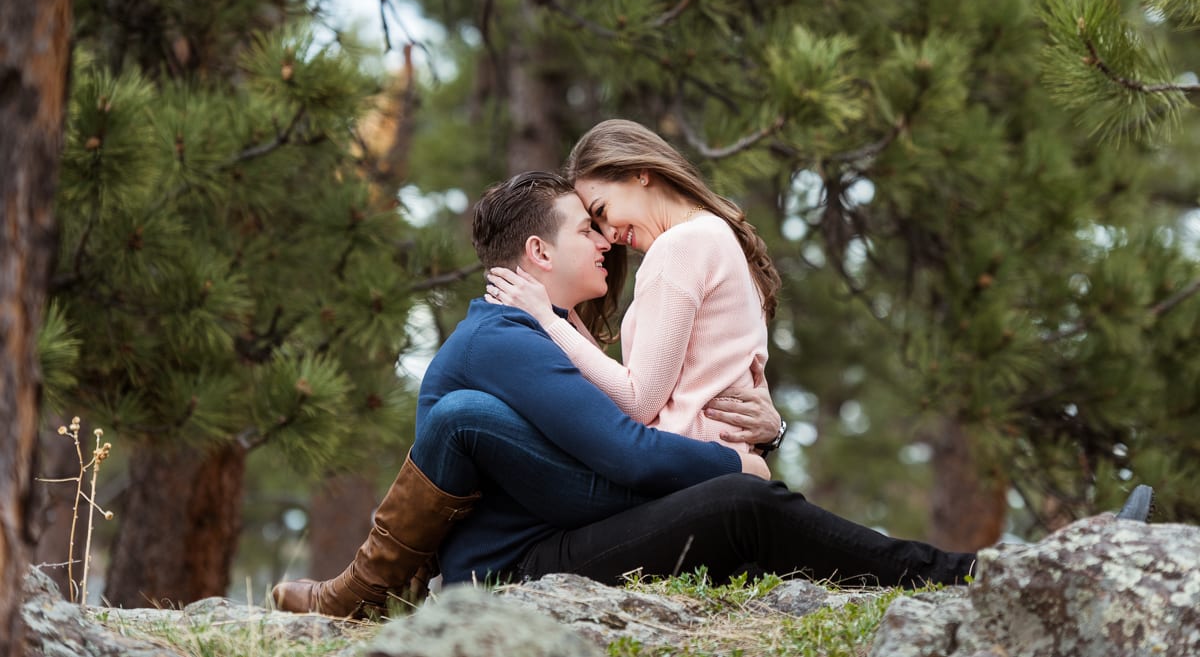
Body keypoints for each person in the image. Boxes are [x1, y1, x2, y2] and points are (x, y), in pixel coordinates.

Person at [272, 170, 1018, 619]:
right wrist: (738, 469)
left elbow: (636, 434)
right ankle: (960, 576)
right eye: (585, 230)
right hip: (516, 569)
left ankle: (961, 574)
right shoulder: (502, 338)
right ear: (538, 252)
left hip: (554, 545)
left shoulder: (545, 336)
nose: (605, 241)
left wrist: (768, 433)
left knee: (743, 507)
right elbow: (627, 455)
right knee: (744, 503)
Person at [484, 119, 786, 463]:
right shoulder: (717, 236)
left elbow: (638, 401)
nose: (609, 235)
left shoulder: (680, 245)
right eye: (595, 227)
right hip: (713, 462)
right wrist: (565, 318)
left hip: (688, 467)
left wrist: (547, 321)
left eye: (602, 211)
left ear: (639, 173)